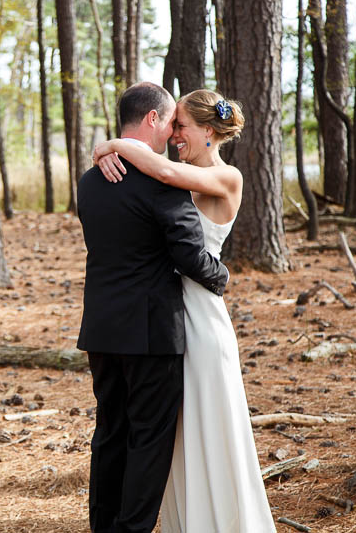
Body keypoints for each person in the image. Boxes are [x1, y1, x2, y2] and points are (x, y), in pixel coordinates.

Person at [92, 88, 276, 533]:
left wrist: (114, 144)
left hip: (202, 314)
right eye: (172, 126)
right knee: (176, 433)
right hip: (169, 316)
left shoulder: (225, 176)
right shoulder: (180, 172)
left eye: (181, 127)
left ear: (209, 131)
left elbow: (164, 174)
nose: (174, 136)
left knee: (211, 424)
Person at [76, 81, 230, 533]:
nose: (172, 135)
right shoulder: (163, 182)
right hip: (152, 332)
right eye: (169, 123)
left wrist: (106, 148)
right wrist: (221, 277)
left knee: (109, 434)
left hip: (102, 327)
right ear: (151, 120)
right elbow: (187, 255)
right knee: (148, 441)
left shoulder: (90, 181)